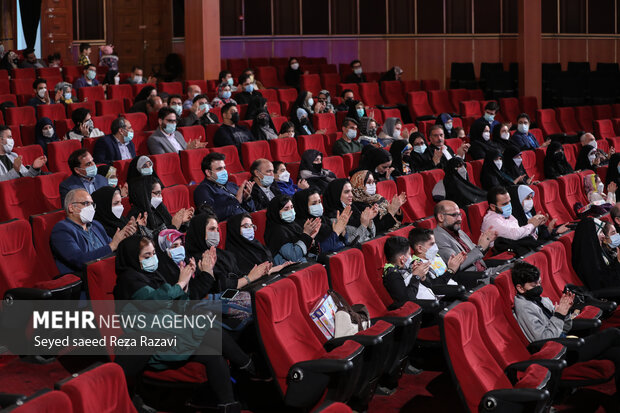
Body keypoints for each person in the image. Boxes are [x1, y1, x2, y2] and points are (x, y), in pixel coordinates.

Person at [112, 235, 241, 412]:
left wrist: (188, 284)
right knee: (213, 326)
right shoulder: (131, 279)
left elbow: (179, 306)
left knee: (214, 351)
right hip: (159, 335)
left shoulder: (153, 274)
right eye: (146, 256)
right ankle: (251, 369)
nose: (153, 259)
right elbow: (157, 302)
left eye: (154, 253)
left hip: (177, 324)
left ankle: (229, 403)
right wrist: (184, 282)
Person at [511, 260, 620, 398]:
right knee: (613, 333)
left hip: (567, 341)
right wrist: (558, 315)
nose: (539, 287)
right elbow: (544, 340)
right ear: (520, 288)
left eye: (539, 283)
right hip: (559, 354)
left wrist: (566, 312)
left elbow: (565, 327)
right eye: (534, 285)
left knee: (616, 353)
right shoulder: (524, 308)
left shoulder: (541, 300)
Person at [51, 188, 134, 275]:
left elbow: (113, 247)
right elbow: (79, 260)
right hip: (86, 278)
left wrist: (125, 239)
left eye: (92, 204)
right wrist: (112, 245)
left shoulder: (95, 224)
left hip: (109, 270)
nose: (91, 208)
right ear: (72, 208)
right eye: (86, 203)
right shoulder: (62, 230)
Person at [433, 200, 497, 274]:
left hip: (485, 270)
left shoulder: (459, 231)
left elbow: (476, 254)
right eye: (454, 215)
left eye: (460, 214)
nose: (460, 219)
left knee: (511, 267)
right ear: (441, 217)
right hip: (473, 277)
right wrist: (480, 248)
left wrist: (487, 243)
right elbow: (457, 265)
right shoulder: (437, 238)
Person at [194, 151, 256, 221]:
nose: (224, 171)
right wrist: (236, 201)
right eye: (219, 169)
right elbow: (211, 216)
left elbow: (252, 210)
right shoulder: (203, 190)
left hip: (248, 221)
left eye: (224, 168)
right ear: (208, 172)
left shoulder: (232, 185)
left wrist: (247, 199)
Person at [226, 213, 294, 275]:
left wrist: (283, 266)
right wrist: (274, 269)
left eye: (252, 226)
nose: (250, 229)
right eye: (246, 226)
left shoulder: (257, 245)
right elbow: (247, 277)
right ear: (235, 230)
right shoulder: (232, 254)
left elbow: (271, 265)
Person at [480, 186, 547, 249]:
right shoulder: (492, 220)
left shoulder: (507, 215)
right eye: (505, 204)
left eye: (509, 202)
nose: (509, 205)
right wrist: (532, 224)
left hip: (515, 249)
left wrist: (533, 224)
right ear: (493, 207)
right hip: (502, 254)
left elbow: (519, 234)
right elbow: (515, 235)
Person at [127, 175, 193, 237]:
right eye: (157, 193)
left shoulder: (158, 208)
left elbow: (172, 226)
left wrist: (181, 222)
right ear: (145, 194)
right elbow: (152, 239)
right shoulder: (136, 216)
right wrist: (174, 226)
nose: (161, 197)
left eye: (160, 193)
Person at [264, 194, 321, 265]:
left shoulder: (293, 225)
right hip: (290, 269)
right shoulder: (276, 231)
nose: (291, 211)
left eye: (292, 207)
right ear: (276, 212)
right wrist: (306, 234)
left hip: (304, 262)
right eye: (286, 209)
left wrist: (310, 237)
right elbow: (294, 256)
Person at [292, 188, 348, 256]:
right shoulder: (301, 226)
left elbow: (343, 242)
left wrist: (343, 231)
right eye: (314, 203)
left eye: (319, 202)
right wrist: (336, 233)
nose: (318, 205)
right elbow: (320, 250)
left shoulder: (323, 219)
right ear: (303, 206)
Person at [382, 236, 437, 305]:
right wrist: (416, 277)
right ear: (402, 259)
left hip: (431, 298)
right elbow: (407, 301)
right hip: (419, 309)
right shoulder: (392, 275)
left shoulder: (408, 267)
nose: (411, 257)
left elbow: (431, 285)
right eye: (409, 254)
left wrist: (422, 276)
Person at [323, 178, 378, 245]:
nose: (351, 195)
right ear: (336, 194)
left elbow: (372, 235)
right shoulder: (332, 219)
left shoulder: (353, 208)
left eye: (351, 191)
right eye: (346, 192)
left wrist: (369, 220)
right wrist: (363, 225)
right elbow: (349, 243)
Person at [350, 169, 406, 234]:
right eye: (368, 182)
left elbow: (397, 218)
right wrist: (391, 212)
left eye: (373, 182)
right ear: (358, 185)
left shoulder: (377, 197)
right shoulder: (358, 205)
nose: (372, 185)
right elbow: (376, 229)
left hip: (394, 230)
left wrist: (396, 211)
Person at [573, 217, 620, 290]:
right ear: (592, 235)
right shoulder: (587, 259)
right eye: (600, 232)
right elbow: (603, 284)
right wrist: (618, 262)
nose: (603, 236)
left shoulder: (597, 250)